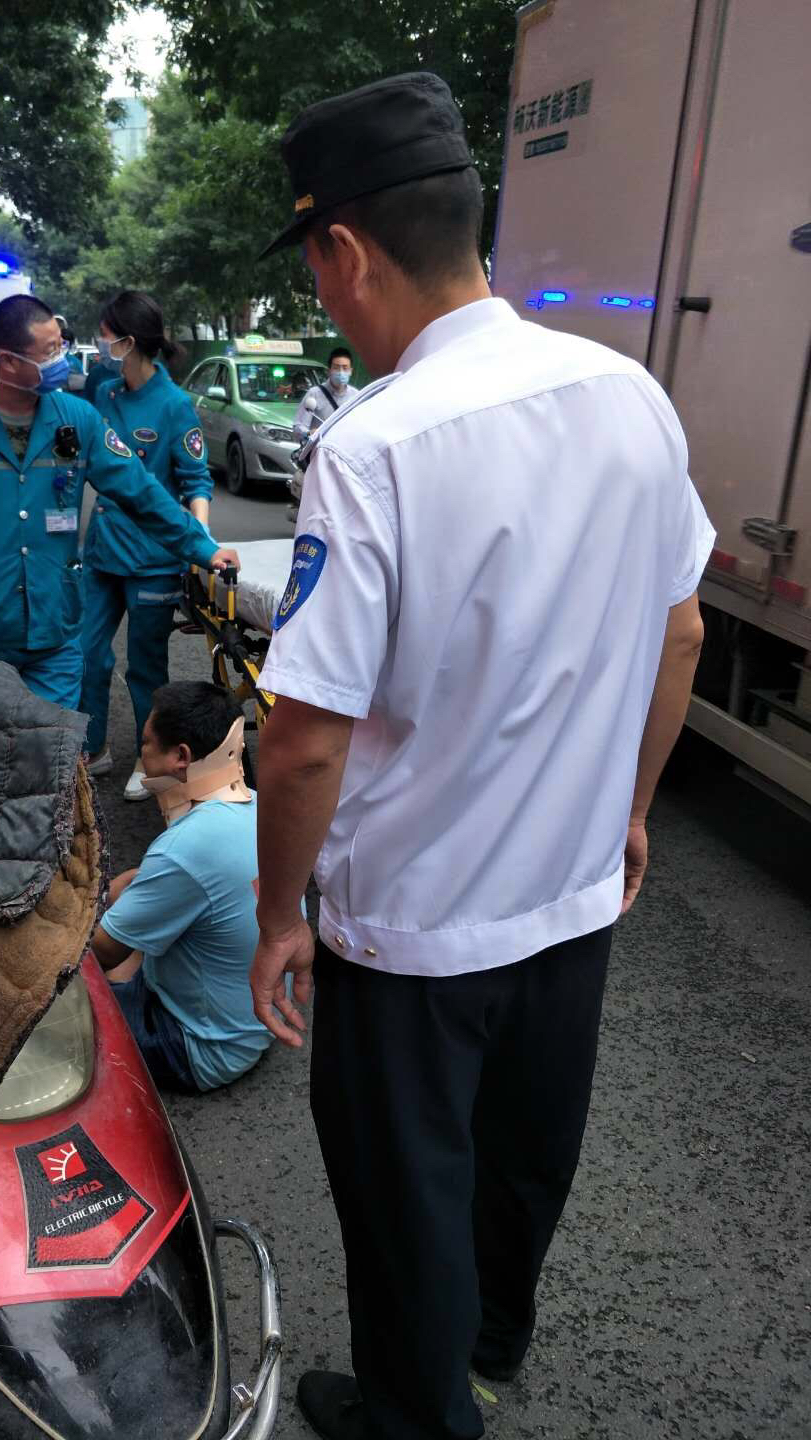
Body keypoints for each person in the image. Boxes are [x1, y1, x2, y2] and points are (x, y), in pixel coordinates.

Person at [249, 73, 714, 1440]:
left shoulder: (376, 444)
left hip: (414, 936)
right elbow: (679, 634)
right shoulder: (631, 397)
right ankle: (483, 1356)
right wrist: (628, 813)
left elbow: (301, 743)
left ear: (345, 249)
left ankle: (417, 1410)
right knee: (520, 1167)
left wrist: (280, 917)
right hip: (570, 907)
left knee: (408, 1200)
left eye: (320, 270)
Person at [0, 294, 237, 710]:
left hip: (54, 628)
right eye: (50, 352)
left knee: (52, 755)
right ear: (7, 359)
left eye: (61, 346)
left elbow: (140, 492)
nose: (64, 362)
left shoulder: (77, 419)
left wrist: (202, 547)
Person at [89, 681, 276, 1091]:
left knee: (50, 1009)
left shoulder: (183, 849)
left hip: (199, 1048)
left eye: (146, 745)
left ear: (181, 757)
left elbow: (99, 953)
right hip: (256, 1018)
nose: (143, 758)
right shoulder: (259, 806)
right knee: (128, 890)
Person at [80, 291, 214, 800]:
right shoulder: (105, 394)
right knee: (87, 654)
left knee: (146, 667)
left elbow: (196, 481)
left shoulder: (176, 405)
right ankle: (93, 748)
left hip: (154, 558)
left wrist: (198, 543)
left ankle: (149, 757)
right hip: (102, 551)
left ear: (128, 341)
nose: (101, 342)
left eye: (106, 333)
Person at [292, 347, 359, 442]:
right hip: (320, 450)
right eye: (336, 368)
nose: (341, 372)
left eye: (345, 368)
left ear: (351, 371)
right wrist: (308, 433)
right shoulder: (314, 394)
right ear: (329, 371)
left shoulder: (356, 396)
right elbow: (298, 426)